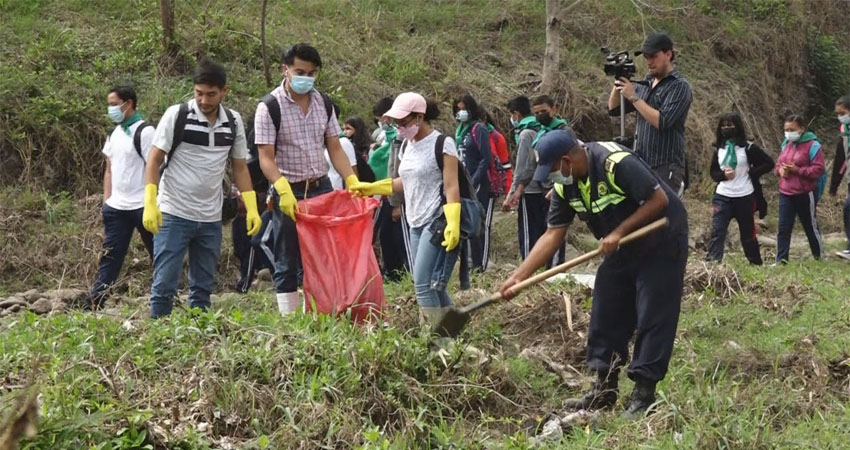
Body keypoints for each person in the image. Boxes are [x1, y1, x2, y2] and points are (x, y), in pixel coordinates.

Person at [499, 130, 688, 419]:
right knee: (606, 307)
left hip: (660, 238)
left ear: (567, 160)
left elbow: (659, 200)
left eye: (553, 170)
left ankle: (643, 393)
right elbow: (552, 234)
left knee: (653, 312)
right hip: (618, 247)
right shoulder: (566, 183)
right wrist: (519, 277)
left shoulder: (615, 162)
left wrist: (618, 232)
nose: (552, 177)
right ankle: (604, 388)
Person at [142, 60, 261, 318]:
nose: (204, 100)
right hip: (173, 212)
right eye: (199, 93)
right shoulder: (178, 115)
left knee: (203, 287)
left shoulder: (233, 121)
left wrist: (251, 208)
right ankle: (158, 337)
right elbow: (153, 159)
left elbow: (239, 167)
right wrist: (150, 202)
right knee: (164, 284)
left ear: (224, 91)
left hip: (210, 217)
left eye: (211, 94)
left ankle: (198, 337)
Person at [254, 43, 360, 315]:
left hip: (320, 187)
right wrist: (281, 188)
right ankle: (289, 317)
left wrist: (351, 179)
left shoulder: (323, 103)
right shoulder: (269, 107)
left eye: (311, 73)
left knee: (326, 254)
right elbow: (266, 156)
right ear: (285, 69)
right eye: (300, 71)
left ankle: (326, 309)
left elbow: (334, 147)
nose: (306, 78)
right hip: (287, 189)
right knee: (287, 256)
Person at [349, 93, 464, 323]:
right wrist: (372, 188)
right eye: (397, 123)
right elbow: (404, 181)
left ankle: (435, 339)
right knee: (433, 283)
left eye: (403, 122)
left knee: (421, 284)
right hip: (414, 222)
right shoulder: (406, 146)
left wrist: (453, 222)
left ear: (419, 117)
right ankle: (453, 329)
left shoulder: (443, 144)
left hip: (436, 219)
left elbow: (452, 186)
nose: (399, 127)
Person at [86, 85, 155, 310]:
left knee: (159, 252)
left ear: (129, 103)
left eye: (115, 104)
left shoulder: (145, 132)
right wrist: (107, 201)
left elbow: (155, 167)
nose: (111, 109)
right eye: (110, 104)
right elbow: (109, 169)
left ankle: (167, 296)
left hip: (143, 204)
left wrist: (154, 202)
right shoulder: (114, 133)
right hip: (117, 207)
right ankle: (97, 300)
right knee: (111, 255)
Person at [608, 32, 692, 196]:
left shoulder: (679, 86)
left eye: (653, 56)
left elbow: (663, 121)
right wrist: (620, 78)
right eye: (646, 57)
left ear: (668, 54)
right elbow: (614, 109)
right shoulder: (646, 84)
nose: (649, 62)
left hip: (666, 165)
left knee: (664, 215)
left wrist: (634, 97)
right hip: (641, 161)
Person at [502, 95, 566, 267]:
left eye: (543, 111)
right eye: (537, 112)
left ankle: (533, 268)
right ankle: (551, 268)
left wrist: (515, 191)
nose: (540, 115)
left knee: (534, 232)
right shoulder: (541, 130)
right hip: (546, 186)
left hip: (538, 189)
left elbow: (525, 166)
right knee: (550, 229)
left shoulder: (528, 133)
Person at [706, 113, 774, 265]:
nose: (726, 128)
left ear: (737, 127)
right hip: (723, 194)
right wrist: (723, 175)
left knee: (747, 232)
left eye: (730, 125)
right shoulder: (719, 149)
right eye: (723, 125)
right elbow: (713, 172)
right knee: (718, 229)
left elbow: (768, 163)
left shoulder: (748, 148)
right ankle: (712, 262)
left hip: (744, 195)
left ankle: (755, 262)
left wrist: (752, 173)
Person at [369, 97, 412, 280]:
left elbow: (399, 172)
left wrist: (397, 204)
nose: (383, 121)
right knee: (386, 236)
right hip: (387, 194)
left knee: (403, 237)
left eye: (384, 117)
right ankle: (393, 273)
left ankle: (412, 274)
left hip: (397, 196)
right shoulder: (392, 139)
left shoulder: (402, 138)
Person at [774, 114, 825, 264]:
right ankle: (781, 260)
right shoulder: (786, 144)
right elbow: (778, 165)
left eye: (792, 129)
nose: (789, 133)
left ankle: (819, 256)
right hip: (786, 192)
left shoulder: (813, 145)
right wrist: (780, 171)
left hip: (805, 192)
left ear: (802, 129)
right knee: (783, 228)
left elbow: (818, 169)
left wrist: (798, 170)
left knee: (810, 226)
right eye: (786, 129)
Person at [453, 94, 492, 273]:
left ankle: (480, 265)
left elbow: (486, 158)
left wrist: (475, 180)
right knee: (466, 223)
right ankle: (468, 264)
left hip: (478, 183)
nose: (461, 113)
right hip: (463, 182)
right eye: (458, 109)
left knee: (479, 224)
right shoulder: (460, 130)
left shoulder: (479, 129)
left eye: (464, 109)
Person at [829, 95, 850, 260]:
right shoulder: (844, 132)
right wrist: (834, 186)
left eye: (842, 112)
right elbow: (840, 159)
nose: (840, 116)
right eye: (838, 113)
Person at [325, 102, 359, 190]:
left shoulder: (343, 142)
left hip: (340, 194)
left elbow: (352, 170)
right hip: (328, 193)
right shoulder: (321, 144)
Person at [344, 116, 376, 183]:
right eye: (343, 129)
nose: (345, 132)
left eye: (348, 129)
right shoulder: (347, 145)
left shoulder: (370, 147)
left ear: (357, 130)